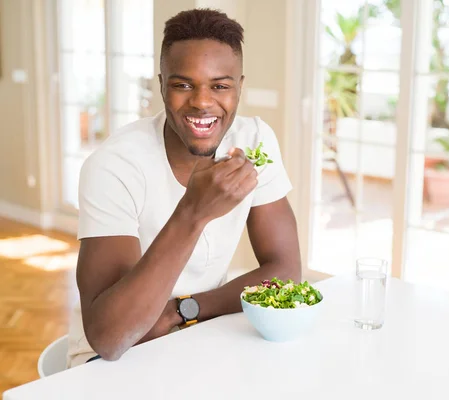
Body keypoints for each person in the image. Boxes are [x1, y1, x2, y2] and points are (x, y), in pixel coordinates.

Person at [66, 8, 301, 367]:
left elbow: (284, 270)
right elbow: (111, 337)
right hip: (109, 363)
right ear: (161, 84)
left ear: (239, 86)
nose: (202, 102)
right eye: (183, 85)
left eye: (220, 85)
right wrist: (193, 213)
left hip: (199, 332)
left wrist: (185, 309)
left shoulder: (254, 142)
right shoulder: (114, 166)